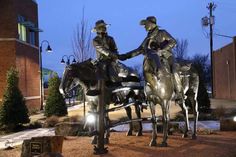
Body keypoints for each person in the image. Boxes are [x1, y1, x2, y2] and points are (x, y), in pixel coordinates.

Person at [119, 16, 183, 99]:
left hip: (167, 56)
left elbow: (173, 42)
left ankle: (179, 92)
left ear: (151, 24)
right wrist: (125, 56)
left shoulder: (162, 33)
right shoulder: (147, 39)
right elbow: (139, 50)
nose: (144, 26)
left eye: (146, 24)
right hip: (154, 58)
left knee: (174, 70)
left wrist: (162, 50)